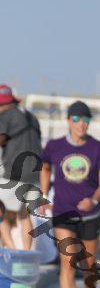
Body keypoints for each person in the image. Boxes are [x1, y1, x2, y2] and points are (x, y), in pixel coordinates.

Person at [40, 101, 100, 288]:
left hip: (90, 215)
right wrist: (44, 196)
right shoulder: (54, 146)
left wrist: (94, 199)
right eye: (76, 119)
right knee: (68, 263)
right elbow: (45, 168)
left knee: (88, 266)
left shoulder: (99, 148)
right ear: (68, 121)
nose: (81, 124)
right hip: (63, 212)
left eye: (86, 120)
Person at [0, 84, 42, 250]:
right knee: (25, 214)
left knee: (3, 213)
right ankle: (26, 253)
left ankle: (9, 250)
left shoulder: (5, 116)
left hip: (14, 173)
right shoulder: (32, 117)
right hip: (36, 174)